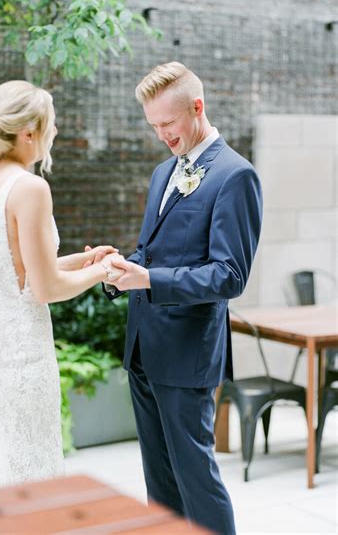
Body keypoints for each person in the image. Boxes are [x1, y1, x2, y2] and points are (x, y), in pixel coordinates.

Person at [0, 80, 122, 492]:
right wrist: (104, 271)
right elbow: (44, 289)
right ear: (28, 133)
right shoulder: (30, 188)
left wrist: (82, 259)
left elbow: (12, 269)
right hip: (20, 359)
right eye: (50, 125)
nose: (54, 133)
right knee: (29, 474)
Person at [105, 62, 263, 534]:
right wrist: (117, 268)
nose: (161, 136)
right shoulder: (163, 173)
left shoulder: (235, 176)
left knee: (197, 480)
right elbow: (153, 252)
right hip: (144, 349)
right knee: (160, 484)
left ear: (197, 108)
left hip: (187, 354)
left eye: (168, 124)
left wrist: (150, 280)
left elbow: (229, 275)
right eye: (154, 126)